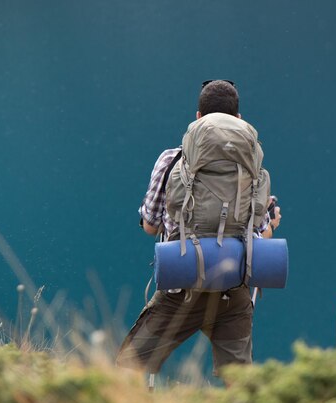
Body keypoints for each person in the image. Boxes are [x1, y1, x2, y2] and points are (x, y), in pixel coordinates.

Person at [116, 80, 281, 378]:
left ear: (197, 118)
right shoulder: (253, 167)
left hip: (183, 283)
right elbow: (258, 233)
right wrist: (272, 223)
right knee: (240, 381)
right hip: (235, 288)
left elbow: (151, 227)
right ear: (239, 120)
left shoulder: (172, 159)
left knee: (130, 365)